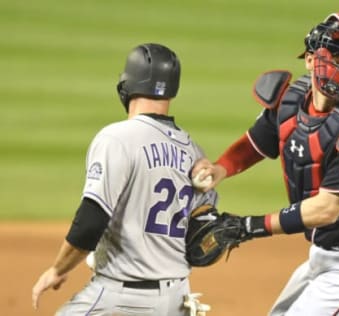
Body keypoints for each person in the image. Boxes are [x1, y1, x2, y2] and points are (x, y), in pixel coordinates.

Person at [193, 12, 339, 315]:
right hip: (324, 252)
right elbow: (256, 143)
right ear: (309, 58)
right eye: (335, 56)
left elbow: (327, 209)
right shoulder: (292, 101)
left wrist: (247, 227)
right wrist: (220, 168)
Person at [32, 43, 217, 315]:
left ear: (127, 85)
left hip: (120, 298)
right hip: (178, 299)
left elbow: (90, 222)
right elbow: (205, 230)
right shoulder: (194, 152)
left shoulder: (116, 138)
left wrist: (57, 270)